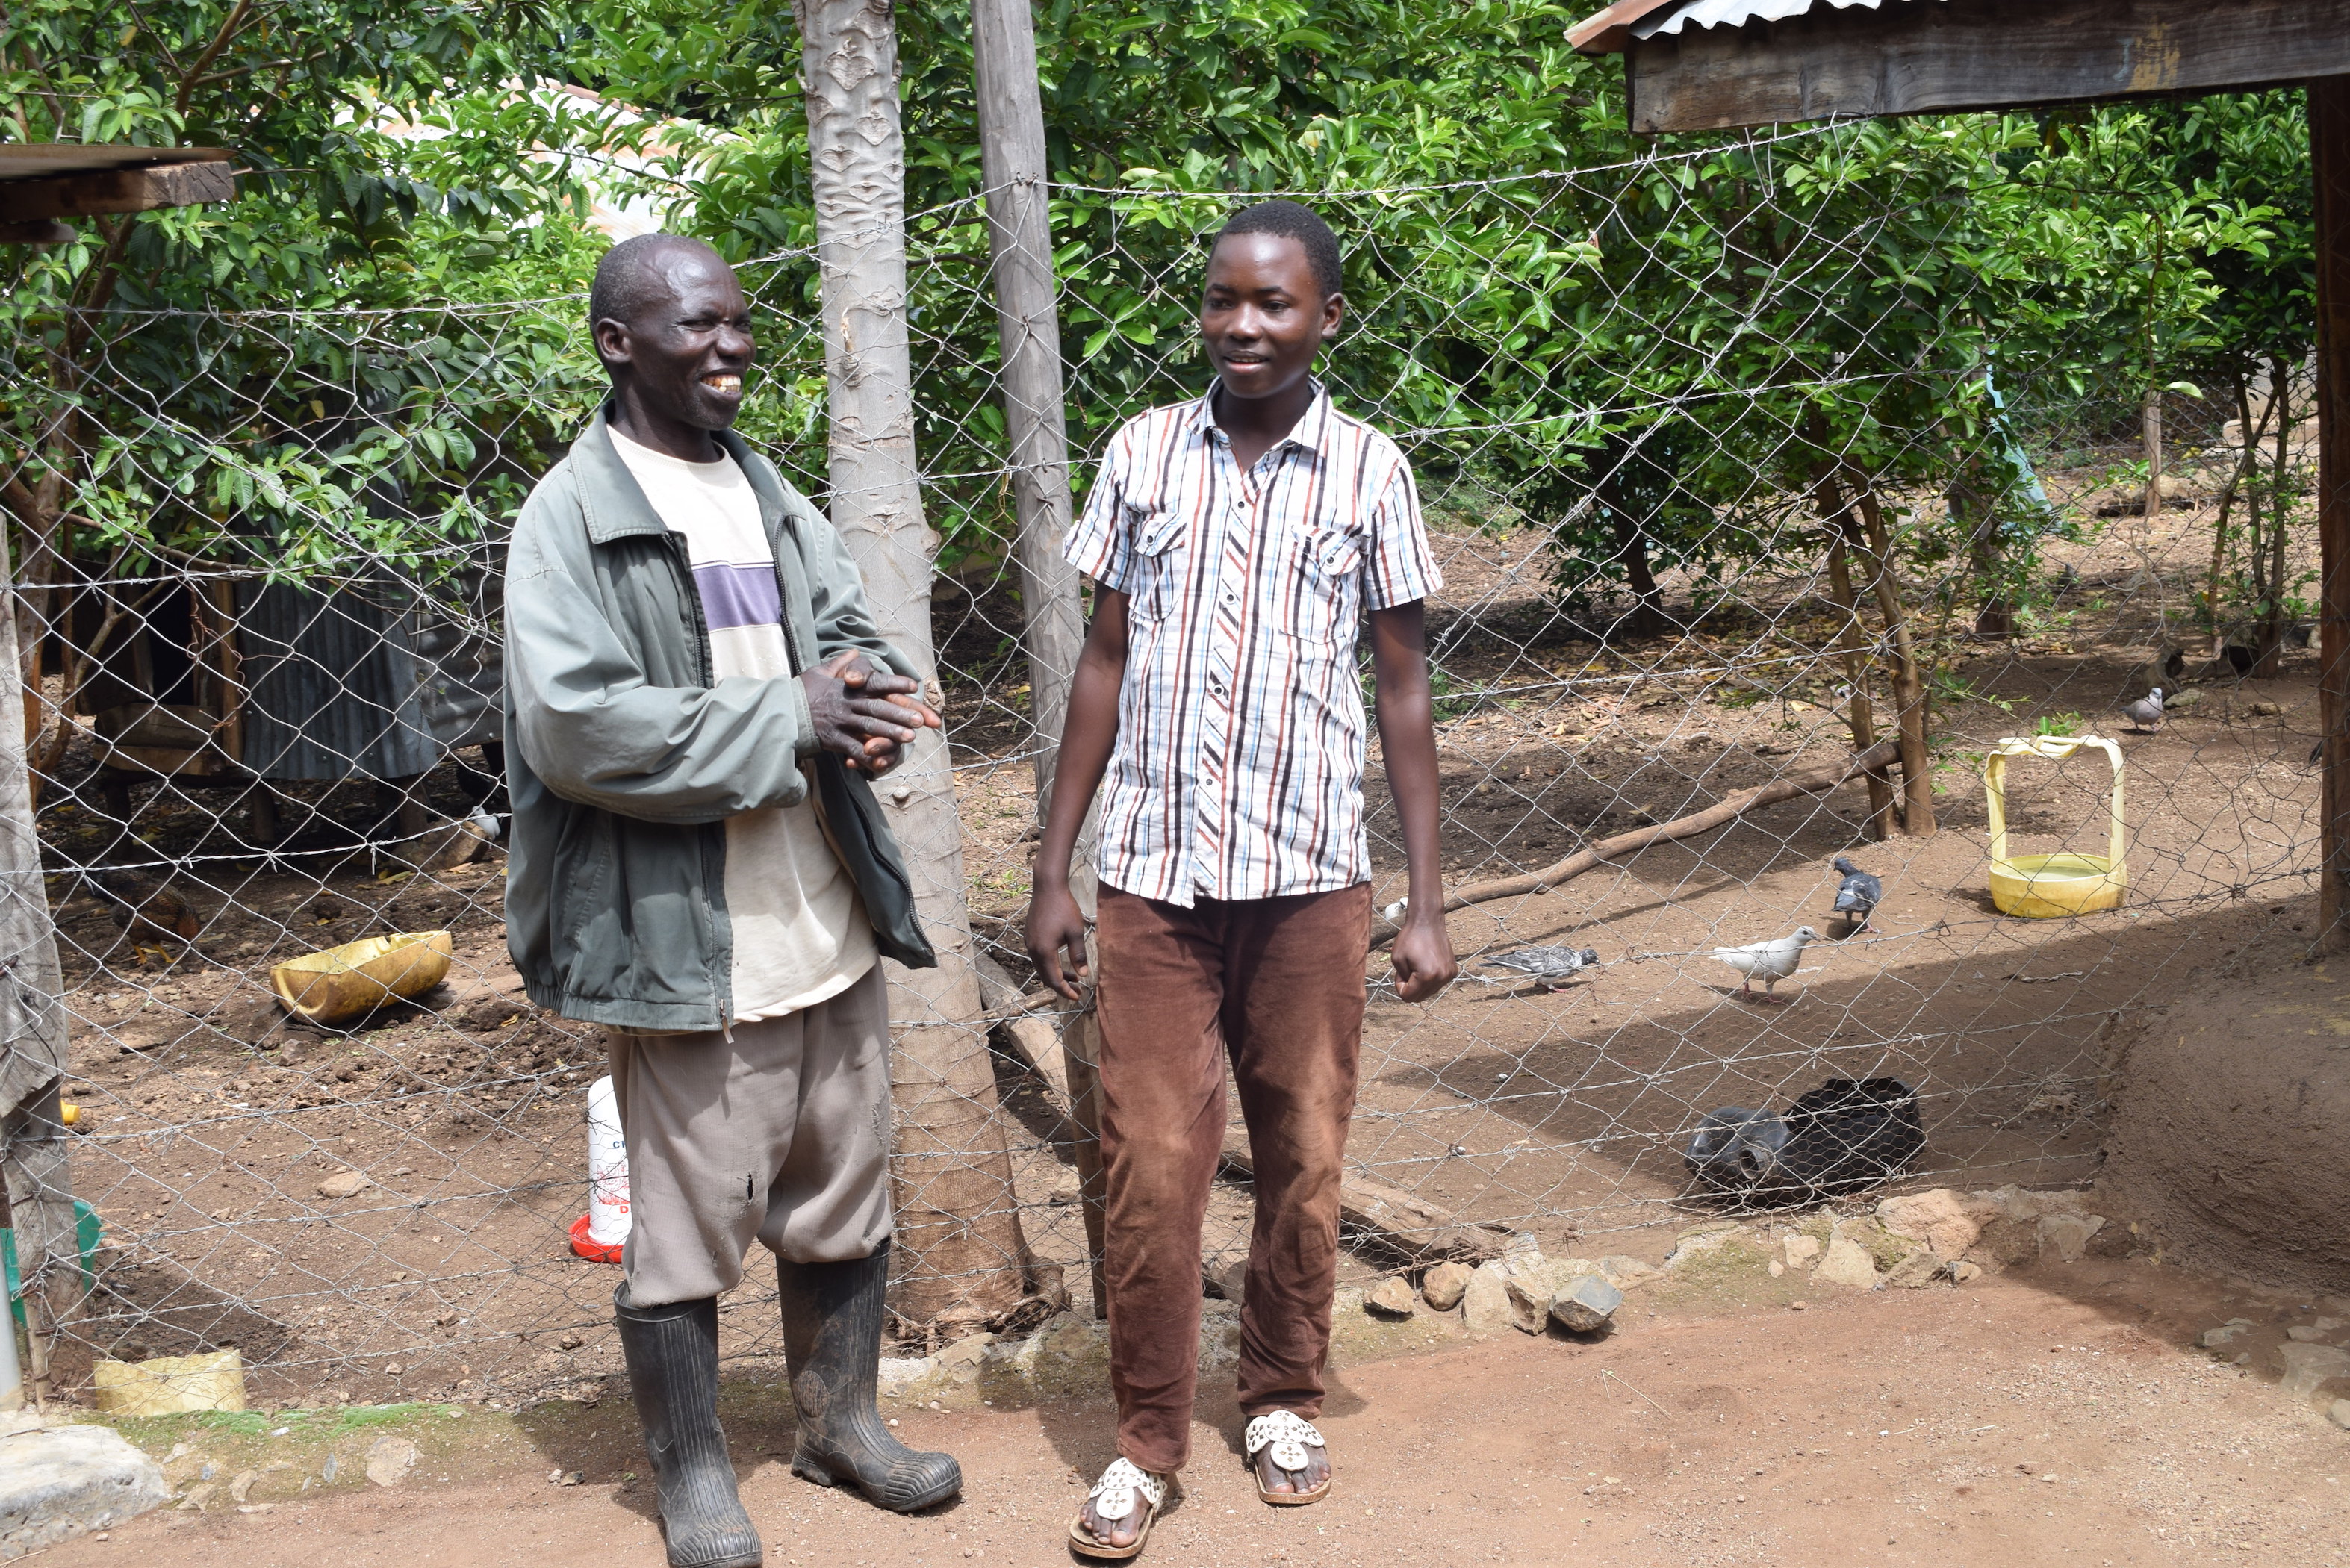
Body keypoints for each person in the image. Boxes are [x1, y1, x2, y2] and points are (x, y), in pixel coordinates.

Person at [503, 232, 961, 1568]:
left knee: (841, 1194)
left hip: (821, 920)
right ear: (618, 343)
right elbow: (579, 729)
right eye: (698, 325)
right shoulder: (571, 518)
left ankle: (840, 1424)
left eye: (740, 323)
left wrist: (868, 701)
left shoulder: (762, 493)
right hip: (686, 946)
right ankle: (695, 1477)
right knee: (687, 1235)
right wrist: (793, 713)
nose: (732, 347)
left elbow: (839, 633)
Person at [1026, 199, 1459, 1559]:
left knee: (1304, 1152)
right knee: (1149, 1164)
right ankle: (1145, 1443)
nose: (1244, 326)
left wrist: (1428, 895)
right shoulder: (1145, 455)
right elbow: (1102, 664)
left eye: (1275, 304)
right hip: (1153, 880)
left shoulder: (1369, 471)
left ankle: (1280, 1394)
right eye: (1224, 301)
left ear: (1327, 317)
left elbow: (1401, 690)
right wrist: (1055, 870)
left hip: (1313, 878)